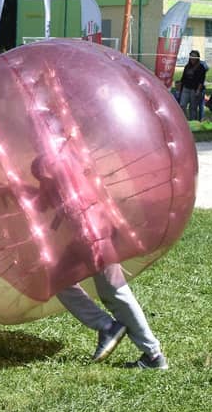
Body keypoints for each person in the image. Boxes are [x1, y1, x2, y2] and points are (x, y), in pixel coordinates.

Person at [24, 154, 167, 370]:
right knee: (60, 280)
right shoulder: (58, 166)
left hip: (92, 235)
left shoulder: (59, 163)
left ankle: (151, 353)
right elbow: (44, 202)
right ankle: (110, 328)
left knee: (114, 292)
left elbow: (54, 195)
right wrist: (14, 189)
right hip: (87, 234)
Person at [177, 49, 207, 121]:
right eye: (191, 56)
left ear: (197, 57)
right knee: (182, 105)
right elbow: (183, 78)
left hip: (195, 89)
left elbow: (201, 81)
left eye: (194, 56)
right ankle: (185, 120)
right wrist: (179, 88)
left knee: (193, 108)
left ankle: (192, 121)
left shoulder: (201, 67)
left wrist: (198, 90)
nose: (192, 58)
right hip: (186, 88)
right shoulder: (187, 66)